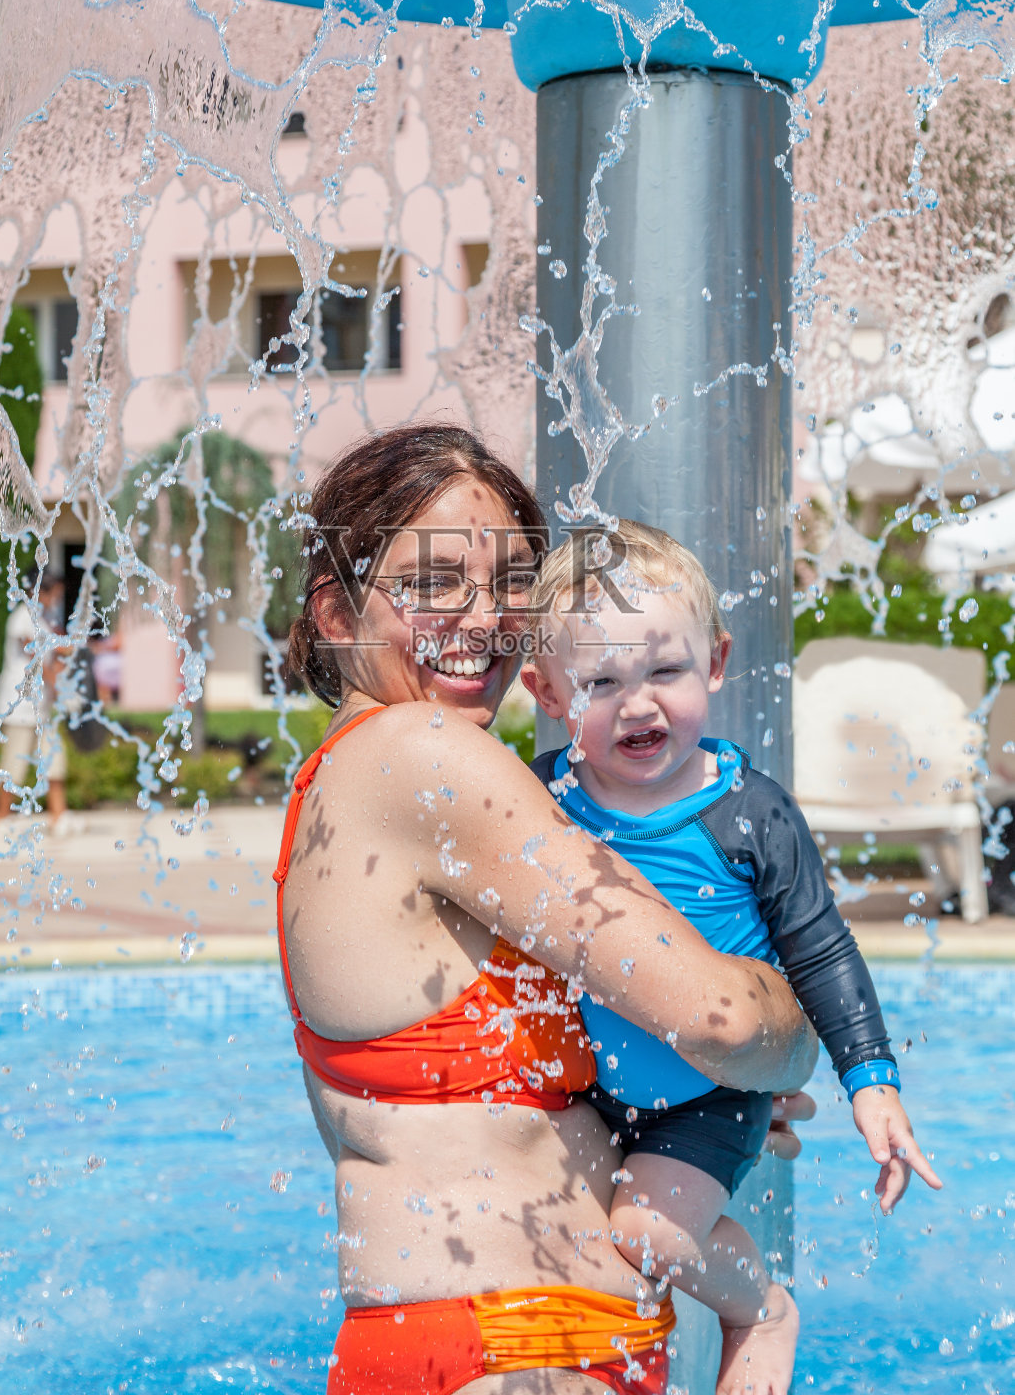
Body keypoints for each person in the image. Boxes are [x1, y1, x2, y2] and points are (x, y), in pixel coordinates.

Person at [274, 423, 818, 1395]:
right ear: (335, 614)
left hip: (473, 1340)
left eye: (512, 580)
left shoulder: (340, 782)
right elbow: (721, 1013)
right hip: (517, 1352)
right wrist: (791, 1026)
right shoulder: (422, 754)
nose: (484, 618)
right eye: (434, 583)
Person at [520, 521, 942, 1395]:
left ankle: (758, 1311)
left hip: (707, 1097)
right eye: (600, 681)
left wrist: (871, 1080)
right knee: (562, 1251)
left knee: (648, 1239)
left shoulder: (748, 812)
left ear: (714, 663)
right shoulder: (537, 803)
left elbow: (820, 947)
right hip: (580, 1091)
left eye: (663, 671)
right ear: (548, 690)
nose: (636, 704)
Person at [0, 572, 70, 826]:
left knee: (54, 759)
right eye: (55, 593)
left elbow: (52, 655)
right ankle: (1, 817)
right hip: (19, 704)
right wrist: (56, 681)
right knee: (14, 762)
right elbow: (34, 656)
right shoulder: (21, 618)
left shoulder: (45, 620)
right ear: (40, 592)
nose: (57, 599)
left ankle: (59, 816)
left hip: (41, 706)